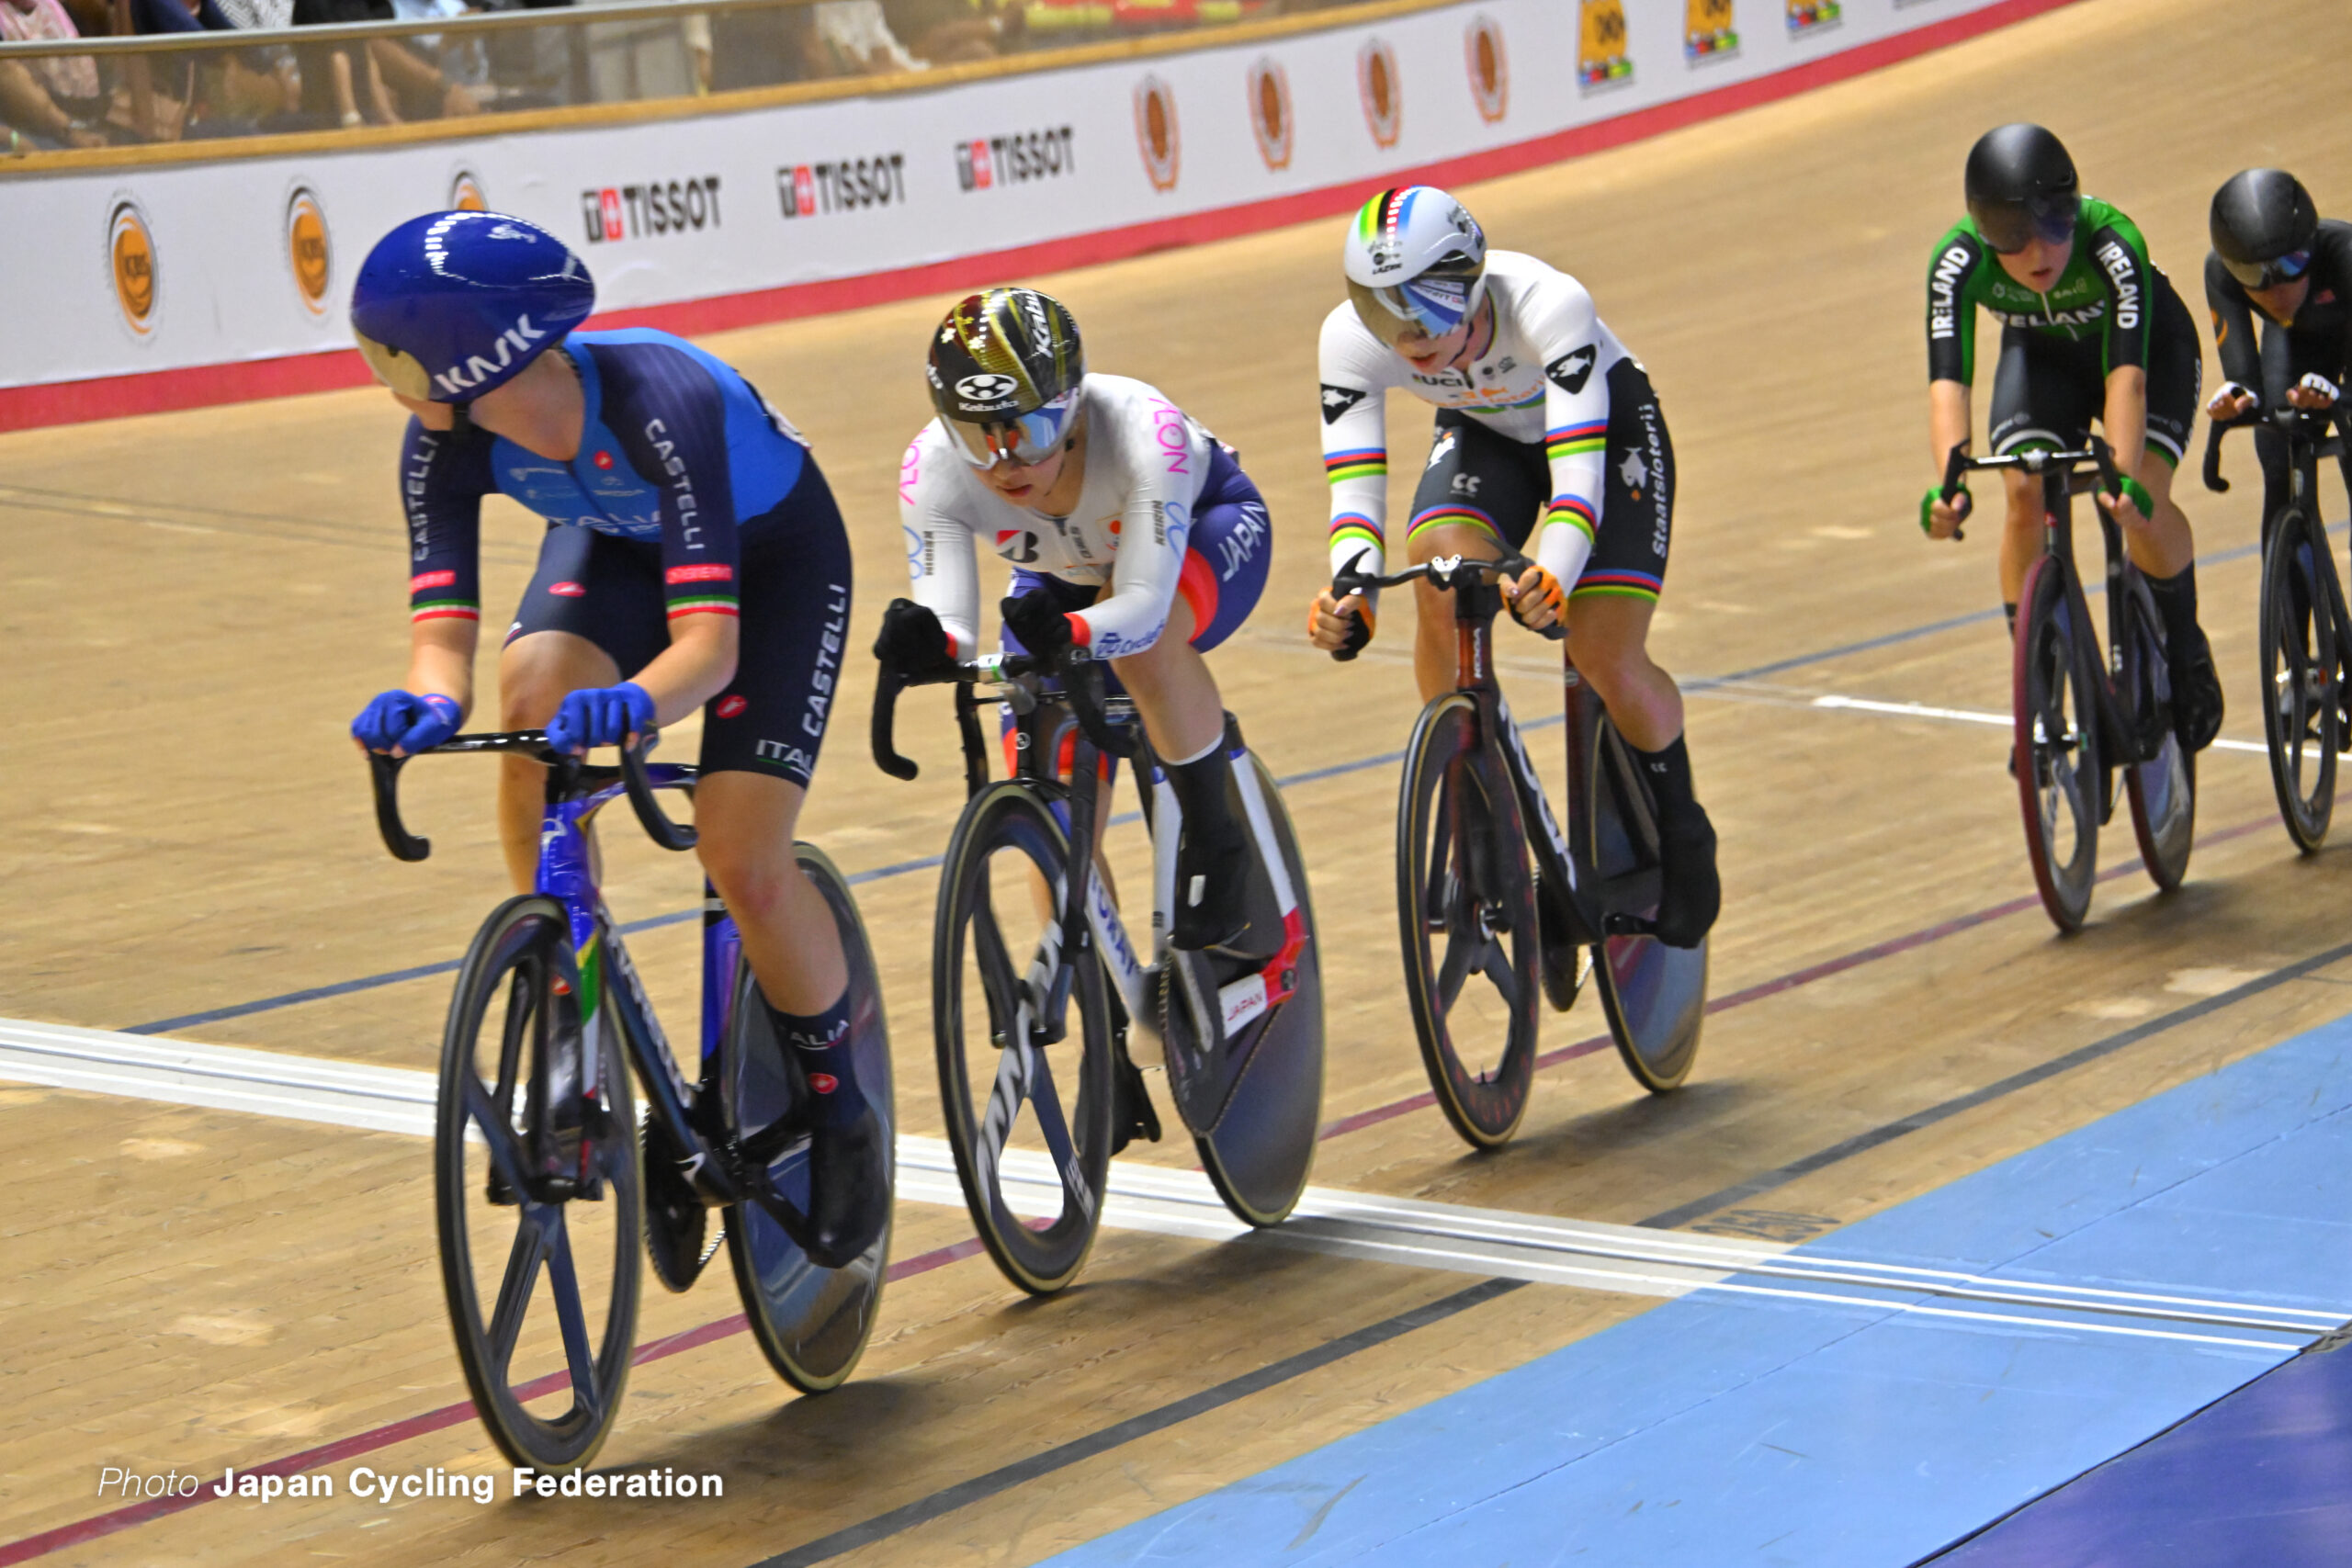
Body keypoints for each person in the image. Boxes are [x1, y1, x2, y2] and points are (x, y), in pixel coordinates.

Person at [344, 211, 883, 1265]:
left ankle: (838, 1109)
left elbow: (710, 656)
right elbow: (441, 643)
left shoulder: (662, 404)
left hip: (768, 571)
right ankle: (565, 993)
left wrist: (636, 706)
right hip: (622, 545)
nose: (380, 376)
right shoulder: (442, 442)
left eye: (390, 354)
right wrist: (424, 705)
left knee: (740, 853)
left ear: (478, 356)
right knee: (529, 694)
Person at [1303, 185, 1718, 948]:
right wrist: (1352, 589)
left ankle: (1684, 831)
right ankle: (1469, 794)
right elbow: (1354, 490)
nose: (1405, 335)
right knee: (1433, 568)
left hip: (1605, 427)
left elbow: (1578, 486)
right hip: (1485, 432)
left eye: (1422, 305)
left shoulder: (1550, 305)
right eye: (1378, 309)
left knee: (1602, 652)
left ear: (1468, 280)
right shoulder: (1350, 342)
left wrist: (1553, 574)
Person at [876, 287, 1274, 953]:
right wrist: (931, 642)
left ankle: (1217, 839)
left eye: (1027, 433)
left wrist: (1078, 634)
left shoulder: (1145, 429)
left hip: (1202, 530)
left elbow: (1144, 607)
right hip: (1060, 575)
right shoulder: (933, 467)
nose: (1005, 464)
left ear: (1072, 407)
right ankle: (1105, 993)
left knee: (1142, 654)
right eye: (979, 438)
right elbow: (955, 623)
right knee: (1046, 792)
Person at [1921, 123, 2223, 753]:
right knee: (2024, 494)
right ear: (1983, 232)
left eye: (2055, 224)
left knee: (2142, 497)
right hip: (2043, 362)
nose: (2039, 251)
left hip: (2145, 354)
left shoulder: (2115, 242)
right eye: (2013, 235)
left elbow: (2129, 381)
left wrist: (2120, 477)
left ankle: (2186, 648)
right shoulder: (1955, 261)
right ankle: (2040, 684)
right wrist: (1948, 487)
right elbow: (1949, 383)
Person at [2204, 167, 2352, 525]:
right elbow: (2245, 381)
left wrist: (2341, 399)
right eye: (2253, 276)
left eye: (2291, 263)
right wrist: (2240, 397)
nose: (2276, 289)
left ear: (2311, 244)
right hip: (2293, 340)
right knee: (2276, 451)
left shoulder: (2345, 254)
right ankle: (2288, 574)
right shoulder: (2221, 273)